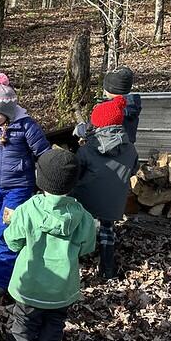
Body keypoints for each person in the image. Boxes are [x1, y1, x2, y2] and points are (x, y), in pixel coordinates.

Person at [3, 148, 97, 341]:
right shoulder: (82, 215)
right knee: (54, 324)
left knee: (23, 321)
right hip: (62, 288)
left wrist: (12, 225)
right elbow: (87, 247)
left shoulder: (26, 209)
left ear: (40, 178)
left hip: (29, 285)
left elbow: (13, 241)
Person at [0, 73, 51, 297]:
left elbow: (43, 152)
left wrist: (50, 180)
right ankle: (1, 260)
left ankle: (1, 281)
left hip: (18, 188)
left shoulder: (26, 126)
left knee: (6, 231)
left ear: (9, 110)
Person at [73, 95, 139, 279]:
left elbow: (75, 172)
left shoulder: (87, 149)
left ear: (97, 124)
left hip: (87, 200)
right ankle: (107, 268)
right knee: (107, 231)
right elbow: (134, 169)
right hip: (114, 202)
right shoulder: (130, 148)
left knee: (83, 226)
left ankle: (79, 256)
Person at [74, 66, 142, 144]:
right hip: (126, 150)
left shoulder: (111, 110)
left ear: (110, 89)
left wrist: (79, 129)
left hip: (106, 150)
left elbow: (93, 129)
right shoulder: (132, 105)